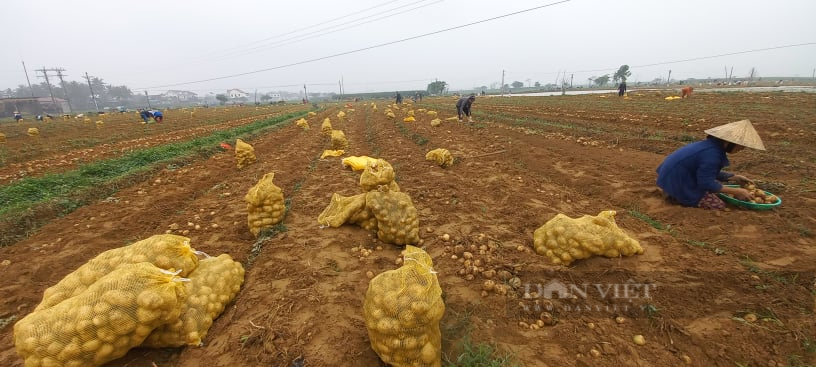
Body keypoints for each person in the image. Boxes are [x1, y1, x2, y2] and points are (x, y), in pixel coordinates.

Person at [656, 119, 765, 210]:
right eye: (740, 145)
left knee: (717, 189)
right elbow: (706, 183)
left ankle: (673, 194)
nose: (742, 149)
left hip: (670, 179)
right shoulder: (712, 155)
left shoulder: (709, 147)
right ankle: (676, 198)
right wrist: (736, 191)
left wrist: (733, 177)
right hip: (676, 185)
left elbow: (706, 171)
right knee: (719, 205)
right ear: (728, 142)